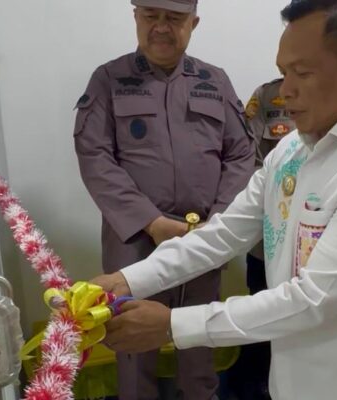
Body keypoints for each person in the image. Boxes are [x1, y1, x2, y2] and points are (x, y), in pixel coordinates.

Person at [93, 1, 337, 398]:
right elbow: (223, 234)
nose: (285, 90)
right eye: (283, 72)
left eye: (302, 73)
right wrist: (125, 280)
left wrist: (172, 326)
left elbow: (314, 299)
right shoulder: (293, 149)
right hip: (289, 380)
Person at [72, 0, 255, 398]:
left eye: (173, 18)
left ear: (194, 23)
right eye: (150, 16)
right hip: (135, 240)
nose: (160, 27)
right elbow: (95, 156)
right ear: (135, 17)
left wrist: (219, 222)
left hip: (201, 236)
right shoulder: (109, 79)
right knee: (133, 343)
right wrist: (152, 223)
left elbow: (241, 154)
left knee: (199, 339)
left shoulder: (214, 81)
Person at [228, 78, 296, 400]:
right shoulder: (266, 96)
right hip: (267, 237)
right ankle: (253, 383)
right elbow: (246, 158)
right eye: (287, 70)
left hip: (312, 248)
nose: (290, 86)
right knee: (260, 309)